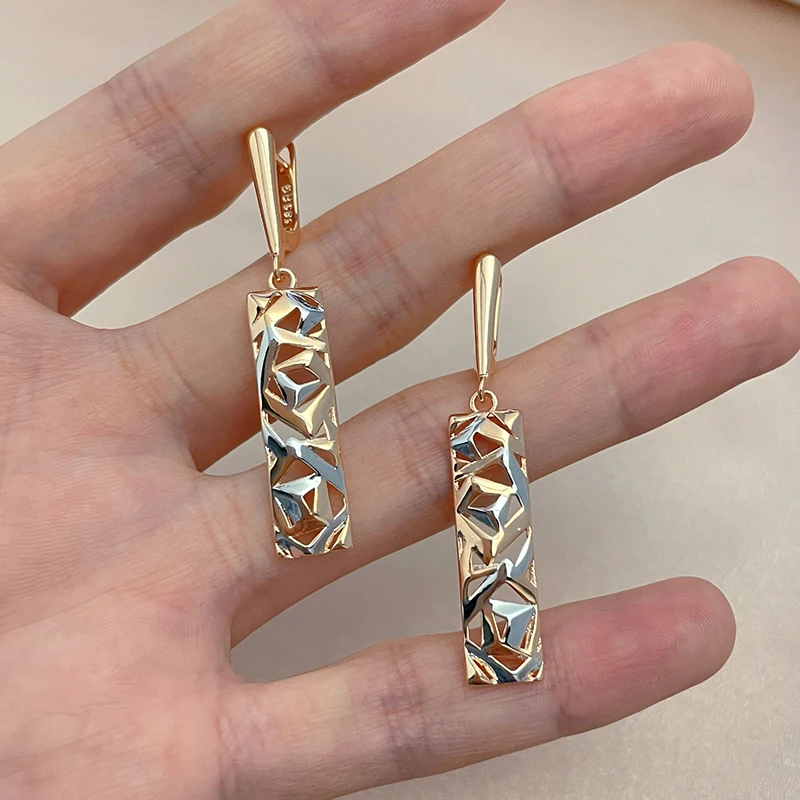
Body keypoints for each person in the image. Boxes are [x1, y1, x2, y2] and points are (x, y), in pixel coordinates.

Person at [1, 1, 798, 797]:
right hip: (335, 443)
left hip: (424, 489)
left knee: (399, 486)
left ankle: (436, 590)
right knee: (325, 480)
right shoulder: (291, 331)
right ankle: (351, 533)